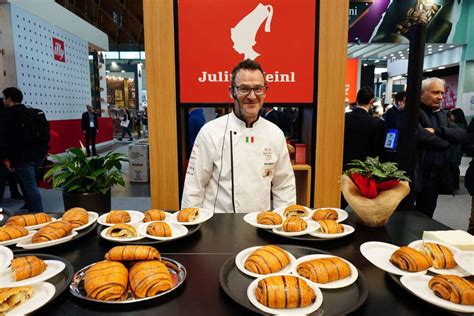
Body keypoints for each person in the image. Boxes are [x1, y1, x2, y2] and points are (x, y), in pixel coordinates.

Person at [181, 59, 296, 213]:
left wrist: (285, 225)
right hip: (217, 226)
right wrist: (192, 228)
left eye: (258, 89)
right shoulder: (210, 132)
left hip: (260, 224)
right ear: (232, 91)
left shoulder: (275, 134)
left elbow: (284, 185)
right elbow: (194, 186)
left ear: (265, 91)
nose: (252, 96)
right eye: (244, 89)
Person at [415, 78, 466, 218]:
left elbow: (461, 134)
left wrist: (439, 131)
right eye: (435, 92)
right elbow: (420, 136)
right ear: (422, 93)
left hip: (435, 177)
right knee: (409, 217)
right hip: (416, 175)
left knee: (426, 216)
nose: (440, 97)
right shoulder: (413, 112)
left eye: (442, 93)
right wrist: (446, 142)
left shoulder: (442, 114)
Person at [1, 87, 49, 213]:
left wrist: (5, 158)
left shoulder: (6, 115)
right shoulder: (34, 112)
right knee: (29, 182)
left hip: (22, 158)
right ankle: (31, 207)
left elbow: (5, 140)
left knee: (29, 185)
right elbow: (46, 135)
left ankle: (39, 214)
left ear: (9, 99)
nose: (4, 101)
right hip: (38, 155)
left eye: (4, 98)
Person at [343, 86, 387, 170]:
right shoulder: (377, 123)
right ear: (372, 101)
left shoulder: (344, 118)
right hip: (366, 170)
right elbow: (379, 151)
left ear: (356, 99)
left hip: (344, 166)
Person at [384, 91, 406, 164]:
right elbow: (393, 127)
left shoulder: (405, 112)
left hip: (402, 145)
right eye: (404, 101)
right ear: (399, 101)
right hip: (392, 144)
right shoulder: (390, 112)